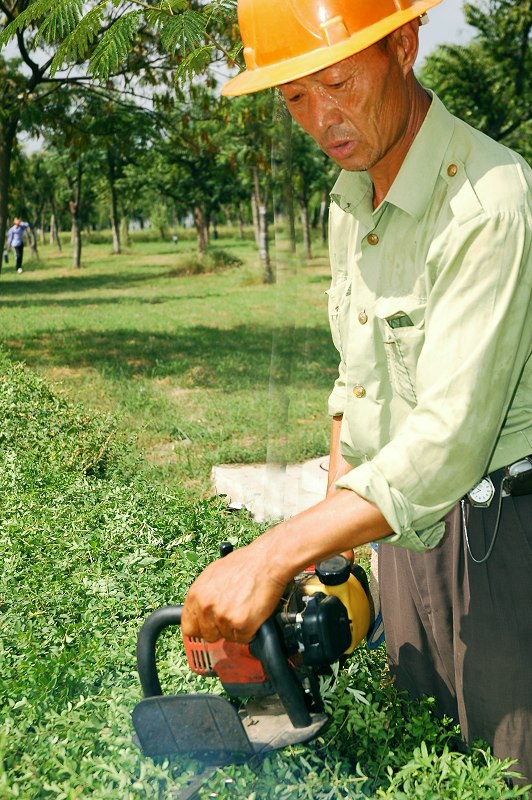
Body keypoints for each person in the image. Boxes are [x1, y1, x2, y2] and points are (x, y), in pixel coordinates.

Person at [181, 0, 532, 782]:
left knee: (506, 773)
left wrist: (269, 556)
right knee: (419, 762)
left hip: (503, 545)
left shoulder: (489, 202)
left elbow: (447, 443)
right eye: (296, 98)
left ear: (404, 45)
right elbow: (357, 390)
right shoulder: (354, 199)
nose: (320, 119)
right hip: (401, 538)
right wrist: (326, 554)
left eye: (336, 83)